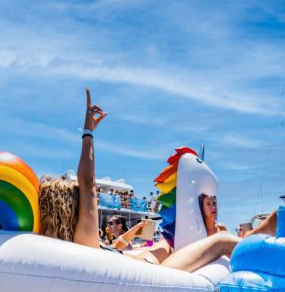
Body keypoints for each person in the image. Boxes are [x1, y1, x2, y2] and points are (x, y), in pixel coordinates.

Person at [38, 88, 238, 272]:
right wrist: (88, 132)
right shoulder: (83, 236)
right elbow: (88, 182)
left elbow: (115, 243)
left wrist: (133, 233)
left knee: (172, 241)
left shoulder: (76, 243)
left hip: (151, 259)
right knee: (223, 240)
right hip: (156, 270)